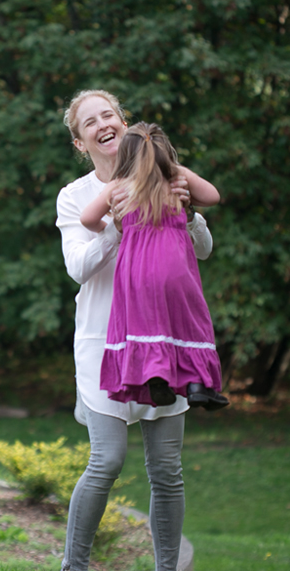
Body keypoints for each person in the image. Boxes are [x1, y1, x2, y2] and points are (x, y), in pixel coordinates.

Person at [54, 90, 220, 571]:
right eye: (90, 122)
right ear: (81, 142)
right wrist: (118, 226)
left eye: (109, 114)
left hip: (163, 346)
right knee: (106, 459)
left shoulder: (163, 170)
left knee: (166, 469)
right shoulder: (76, 196)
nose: (104, 124)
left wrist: (187, 210)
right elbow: (79, 266)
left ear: (124, 124)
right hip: (104, 343)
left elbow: (202, 247)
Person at [79, 122, 228, 411]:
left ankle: (155, 377)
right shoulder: (176, 177)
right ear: (164, 150)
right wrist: (182, 180)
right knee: (189, 322)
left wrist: (113, 226)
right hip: (175, 267)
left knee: (147, 325)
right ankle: (198, 384)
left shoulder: (119, 186)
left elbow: (87, 219)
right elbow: (213, 196)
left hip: (135, 272)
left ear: (125, 155)